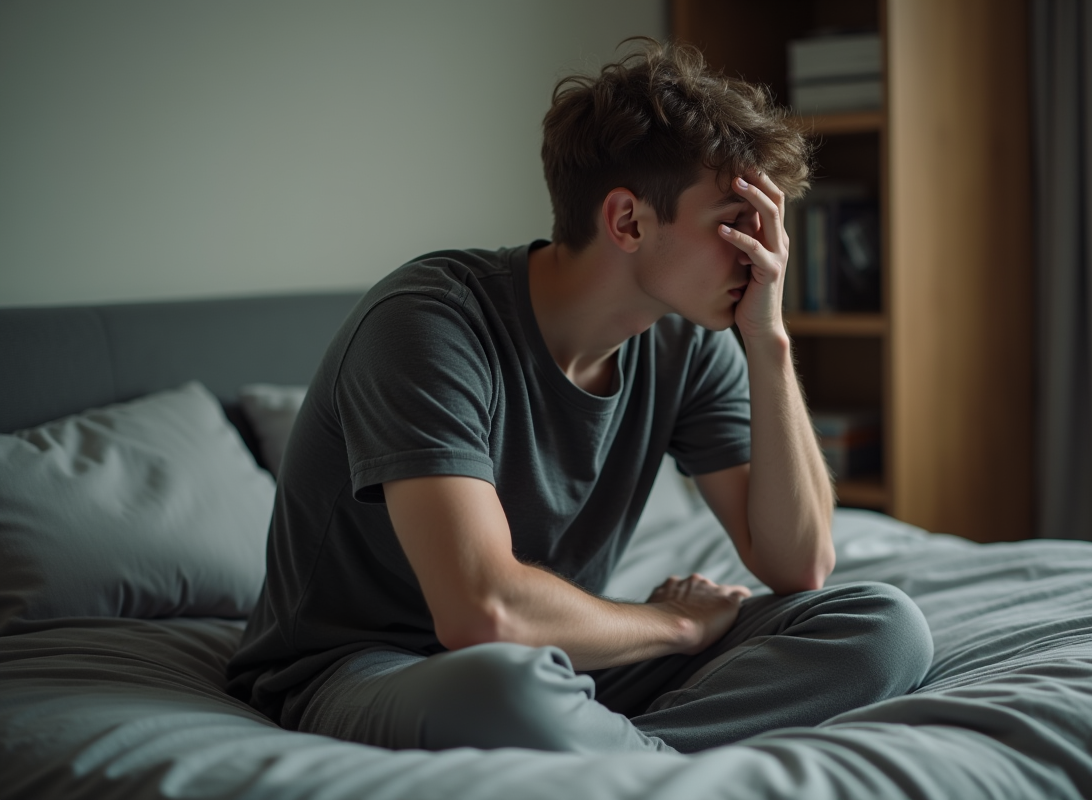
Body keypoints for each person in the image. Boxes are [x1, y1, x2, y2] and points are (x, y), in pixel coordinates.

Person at [226, 38, 932, 755]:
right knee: (503, 689)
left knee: (883, 627)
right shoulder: (427, 323)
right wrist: (676, 626)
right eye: (736, 219)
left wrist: (769, 339)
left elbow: (798, 564)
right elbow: (482, 614)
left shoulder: (690, 344)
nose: (765, 254)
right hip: (371, 668)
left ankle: (620, 754)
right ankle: (638, 757)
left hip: (565, 665)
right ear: (626, 221)